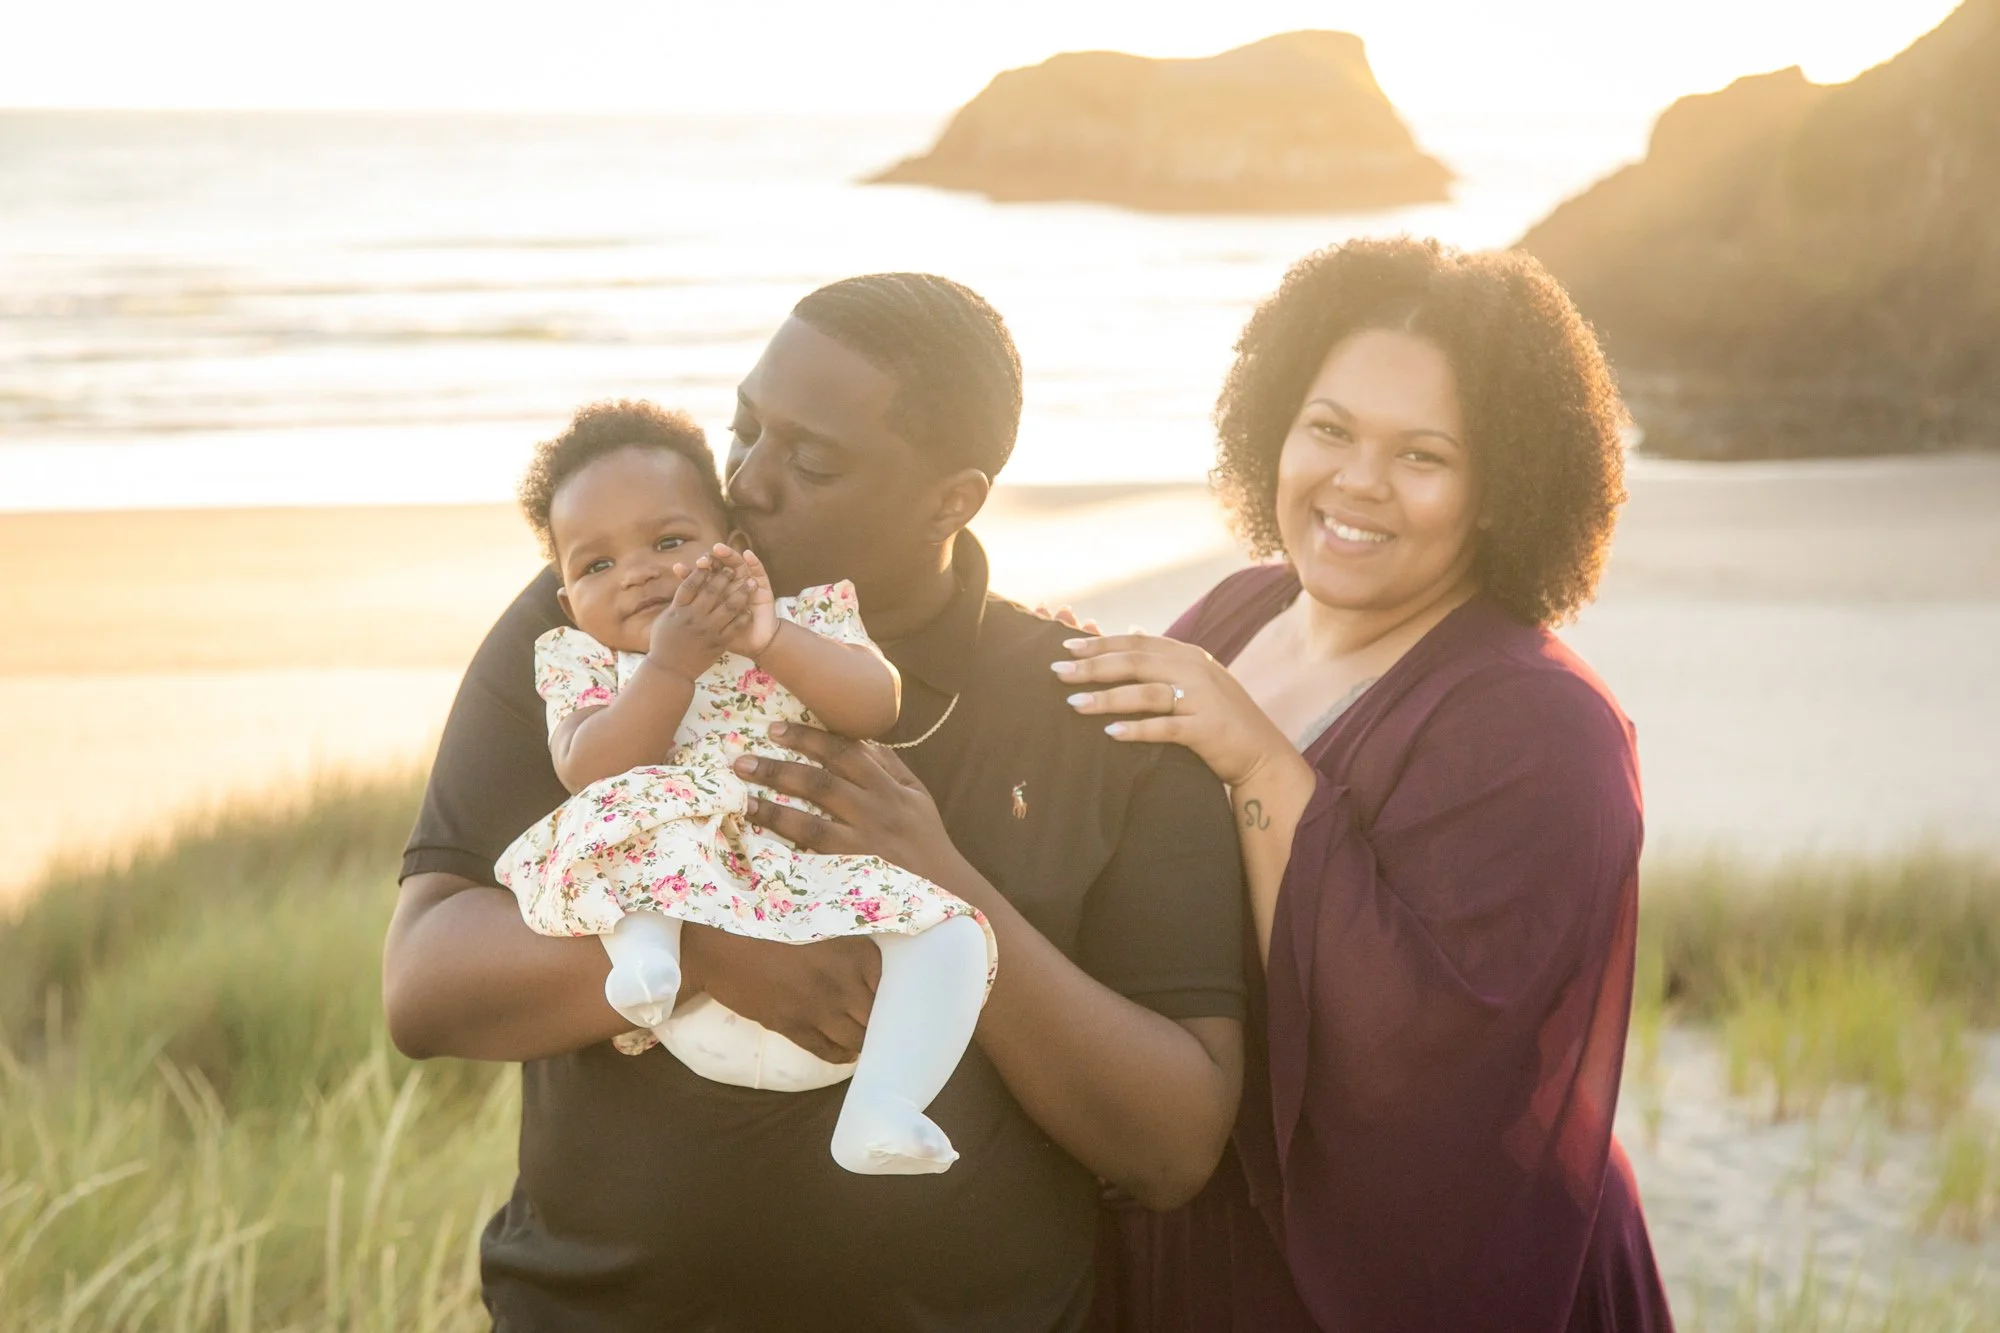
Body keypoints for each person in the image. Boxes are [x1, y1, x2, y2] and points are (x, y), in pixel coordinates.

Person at [383, 273, 1247, 1331]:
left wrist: (950, 885)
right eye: (743, 426)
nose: (745, 481)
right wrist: (710, 946)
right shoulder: (605, 629)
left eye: (811, 459)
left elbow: (1172, 1145)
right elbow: (423, 985)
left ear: (953, 498)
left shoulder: (1086, 710)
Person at [1070, 239, 1674, 1330]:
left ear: (1501, 487)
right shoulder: (1237, 611)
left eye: (1422, 456)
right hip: (1183, 1241)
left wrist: (1257, 760)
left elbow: (1423, 1070)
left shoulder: (1543, 730)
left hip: (1379, 1282)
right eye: (1328, 429)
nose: (1355, 482)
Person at [491, 400, 995, 1176]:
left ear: (732, 548)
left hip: (804, 881)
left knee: (957, 935)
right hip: (686, 905)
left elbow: (876, 702)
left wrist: (768, 638)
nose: (638, 572)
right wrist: (669, 665)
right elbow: (590, 769)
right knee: (622, 820)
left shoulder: (795, 619)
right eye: (596, 565)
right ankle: (649, 960)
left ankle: (883, 1107)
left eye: (669, 541)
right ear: (567, 601)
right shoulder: (582, 661)